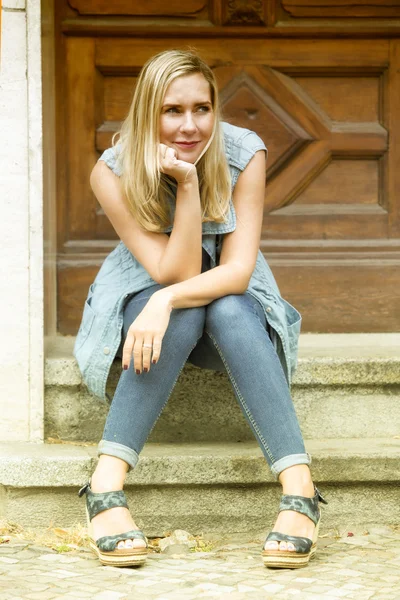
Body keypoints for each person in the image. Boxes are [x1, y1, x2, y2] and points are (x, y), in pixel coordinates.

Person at [74, 49, 327, 570]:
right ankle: (106, 484)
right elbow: (171, 272)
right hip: (140, 313)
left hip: (223, 322)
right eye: (172, 111)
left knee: (229, 306)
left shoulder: (242, 153)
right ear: (148, 112)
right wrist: (185, 197)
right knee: (188, 308)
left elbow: (234, 273)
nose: (190, 126)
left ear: (215, 109)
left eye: (202, 108)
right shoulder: (112, 171)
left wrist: (190, 182)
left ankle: (300, 489)